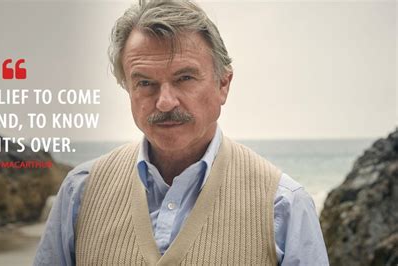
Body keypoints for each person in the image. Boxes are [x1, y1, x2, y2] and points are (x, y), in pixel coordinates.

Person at [34, 0, 329, 265]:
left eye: (184, 78)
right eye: (145, 83)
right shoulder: (80, 194)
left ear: (223, 84)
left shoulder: (282, 206)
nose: (165, 102)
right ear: (128, 88)